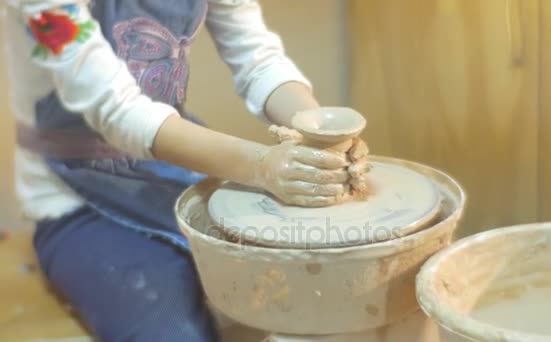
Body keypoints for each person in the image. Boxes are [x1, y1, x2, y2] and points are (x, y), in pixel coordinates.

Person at [3, 0, 369, 341]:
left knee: (313, 297)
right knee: (172, 332)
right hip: (73, 202)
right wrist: (263, 167)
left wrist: (319, 132)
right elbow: (117, 112)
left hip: (169, 171)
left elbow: (257, 58)